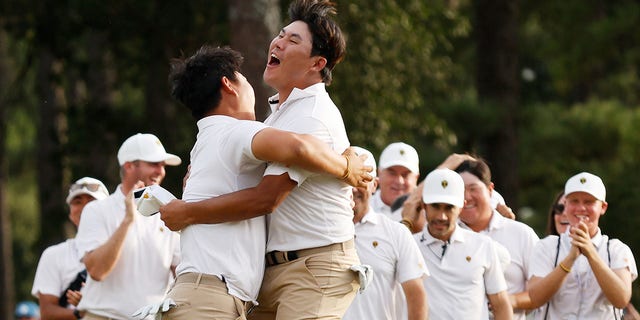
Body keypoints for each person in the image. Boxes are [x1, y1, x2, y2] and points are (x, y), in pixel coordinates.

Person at [154, 45, 371, 320]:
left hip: (199, 296)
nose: (249, 84)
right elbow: (299, 149)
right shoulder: (235, 131)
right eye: (242, 77)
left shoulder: (202, 145)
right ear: (228, 85)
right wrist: (345, 168)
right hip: (210, 301)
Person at [74, 133, 181, 319]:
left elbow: (182, 271)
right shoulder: (96, 210)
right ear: (129, 166)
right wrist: (128, 220)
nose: (161, 171)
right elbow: (97, 271)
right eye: (154, 164)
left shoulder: (168, 214)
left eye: (163, 165)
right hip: (102, 316)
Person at [528, 172, 638, 319]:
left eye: (589, 202)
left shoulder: (616, 249)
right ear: (565, 205)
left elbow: (621, 299)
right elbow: (535, 298)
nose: (581, 208)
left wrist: (590, 252)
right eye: (574, 201)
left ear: (603, 207)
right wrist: (570, 259)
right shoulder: (546, 246)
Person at [342, 146, 428, 320]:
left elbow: (416, 296)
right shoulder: (321, 230)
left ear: (375, 184)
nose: (354, 188)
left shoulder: (397, 232)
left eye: (362, 180)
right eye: (347, 181)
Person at [416, 168, 512, 320]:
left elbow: (500, 303)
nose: (441, 216)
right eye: (435, 206)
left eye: (449, 208)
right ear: (423, 204)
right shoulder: (409, 245)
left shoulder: (483, 245)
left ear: (462, 206)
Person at [31, 177, 109, 320]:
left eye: (92, 201)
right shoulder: (53, 255)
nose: (85, 207)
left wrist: (96, 304)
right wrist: (83, 312)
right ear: (70, 213)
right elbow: (47, 313)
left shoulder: (126, 250)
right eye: (77, 202)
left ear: (108, 210)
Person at [371, 142, 420, 221]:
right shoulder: (360, 208)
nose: (399, 181)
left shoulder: (426, 214)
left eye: (405, 175)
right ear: (379, 174)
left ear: (416, 178)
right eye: (392, 173)